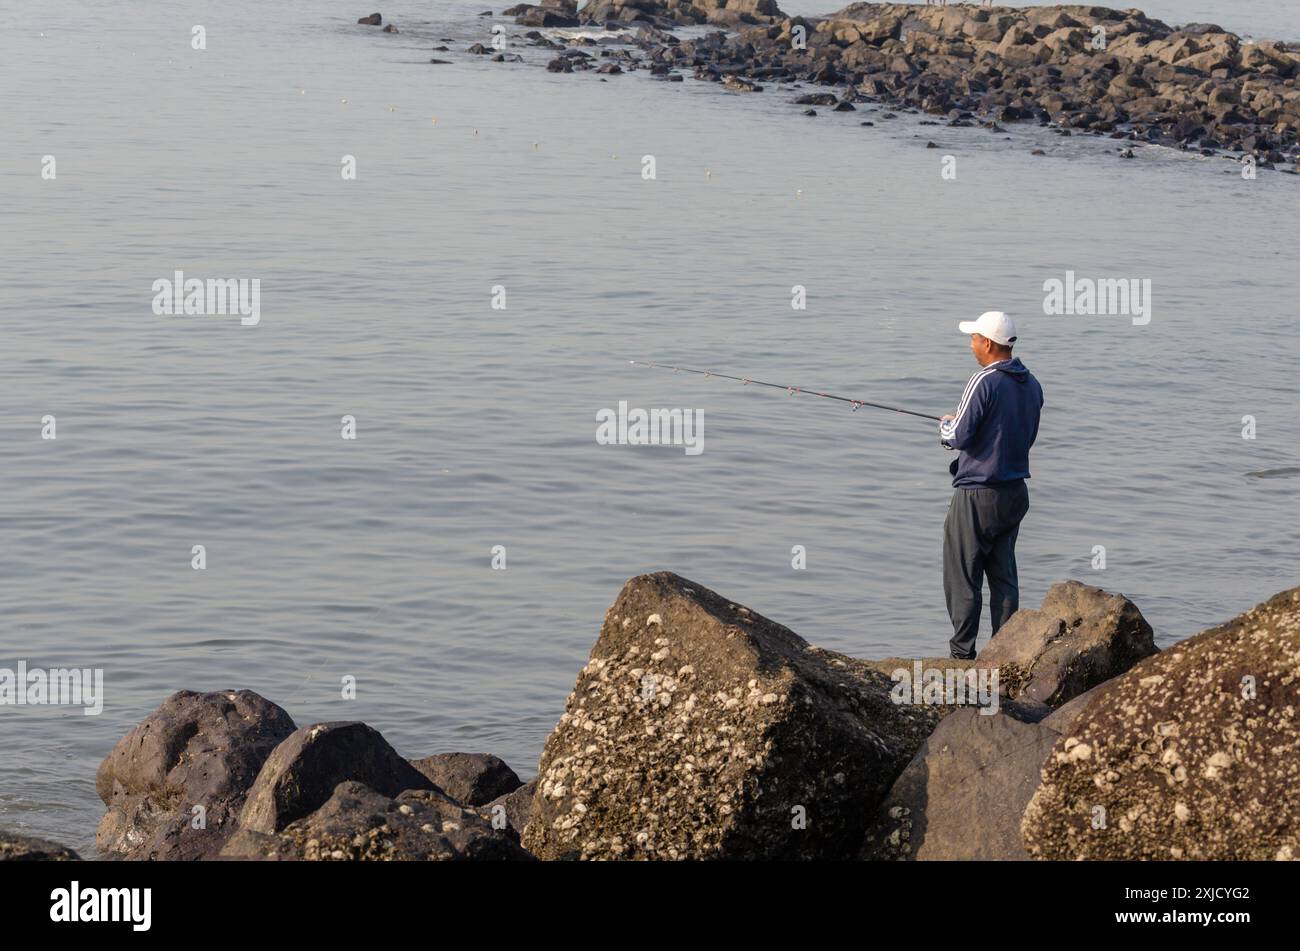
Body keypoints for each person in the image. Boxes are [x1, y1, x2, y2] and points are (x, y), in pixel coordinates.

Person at [938, 311, 1043, 659]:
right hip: (1014, 492)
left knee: (962, 573)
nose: (970, 344)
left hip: (977, 493)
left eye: (973, 338)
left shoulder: (983, 380)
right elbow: (1018, 434)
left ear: (987, 343)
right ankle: (1005, 653)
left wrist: (945, 428)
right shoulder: (1032, 385)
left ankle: (961, 655)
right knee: (1003, 574)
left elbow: (959, 436)